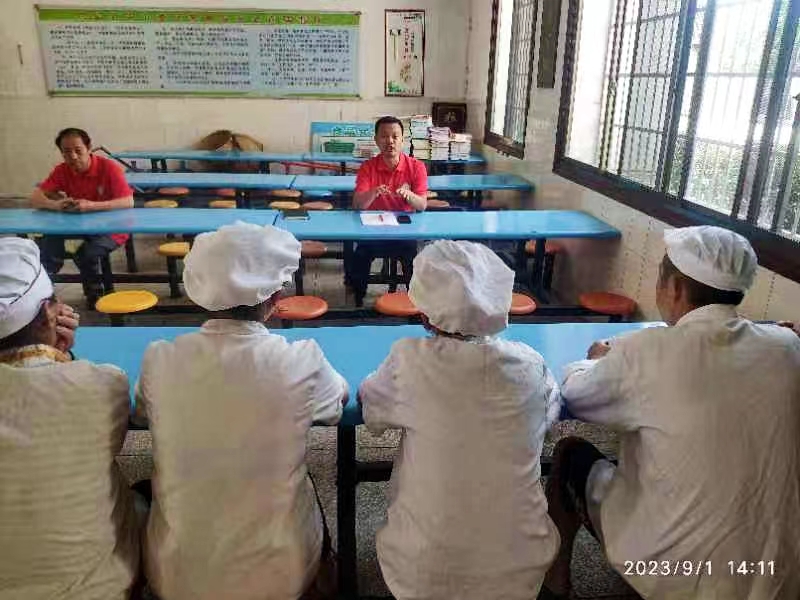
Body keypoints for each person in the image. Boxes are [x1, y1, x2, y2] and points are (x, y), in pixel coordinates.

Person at [542, 226, 800, 600]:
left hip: (678, 570)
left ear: (675, 288)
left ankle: (555, 582)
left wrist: (594, 360)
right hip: (779, 570)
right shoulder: (786, 347)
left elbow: (576, 396)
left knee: (568, 454)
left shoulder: (649, 352)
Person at [134, 222, 348, 600]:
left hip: (175, 575)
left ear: (199, 292)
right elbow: (336, 405)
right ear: (276, 296)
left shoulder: (159, 358)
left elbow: (142, 414)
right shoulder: (301, 358)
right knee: (302, 478)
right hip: (283, 575)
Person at [359, 240, 561, 600]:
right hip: (520, 566)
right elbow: (550, 413)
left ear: (423, 313)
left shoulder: (408, 360)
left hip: (423, 571)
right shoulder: (531, 364)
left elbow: (373, 412)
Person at [0, 237, 140, 600]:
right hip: (100, 588)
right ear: (50, 313)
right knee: (147, 496)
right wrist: (62, 354)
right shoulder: (102, 383)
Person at [30, 127, 134, 307]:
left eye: (78, 150)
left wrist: (92, 206)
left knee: (85, 253)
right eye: (66, 152)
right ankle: (42, 295)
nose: (73, 156)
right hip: (77, 227)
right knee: (47, 245)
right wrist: (55, 205)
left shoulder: (108, 168)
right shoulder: (62, 170)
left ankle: (95, 294)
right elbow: (35, 197)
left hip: (114, 227)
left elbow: (128, 201)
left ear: (89, 148)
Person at [350, 116, 428, 306]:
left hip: (404, 232)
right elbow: (358, 205)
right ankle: (358, 301)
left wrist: (409, 195)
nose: (390, 141)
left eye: (395, 136)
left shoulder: (416, 167)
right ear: (376, 140)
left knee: (413, 259)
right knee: (359, 256)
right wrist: (374, 192)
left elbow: (422, 205)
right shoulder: (368, 167)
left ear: (402, 140)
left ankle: (414, 304)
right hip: (373, 231)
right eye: (384, 136)